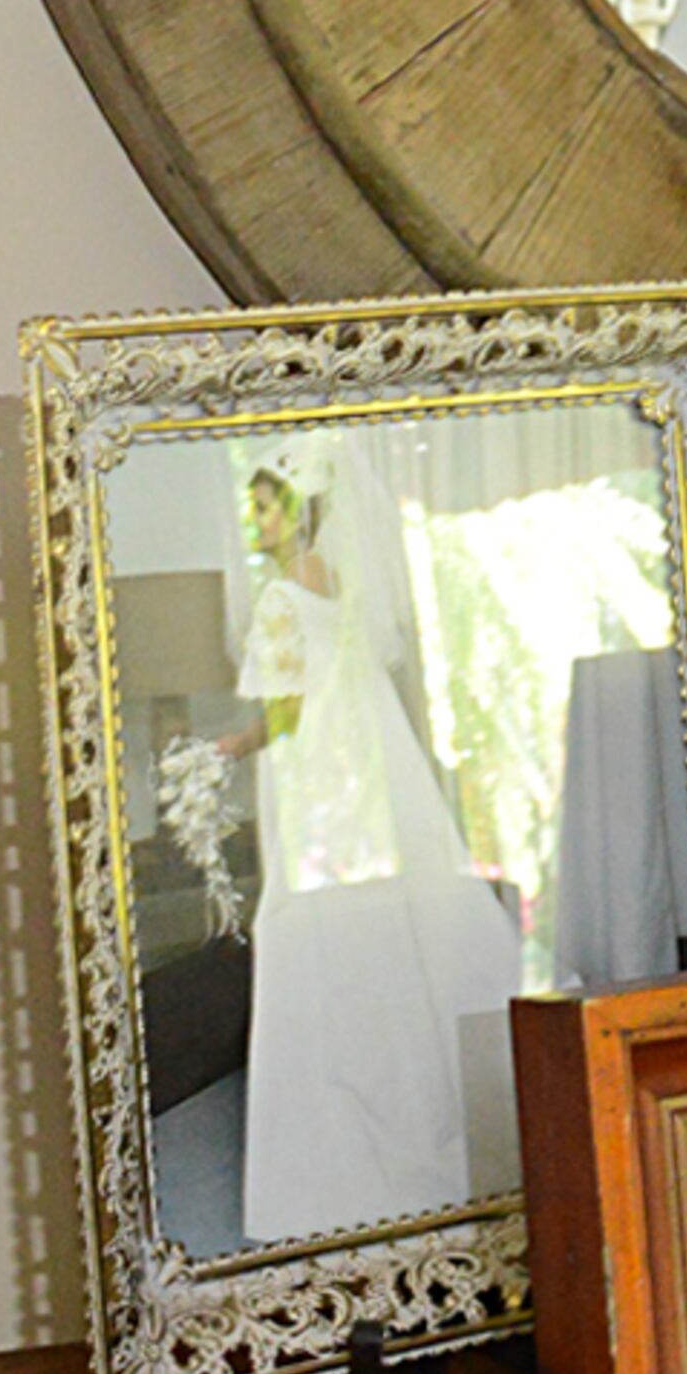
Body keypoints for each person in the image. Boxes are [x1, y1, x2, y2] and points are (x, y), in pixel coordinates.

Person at [225, 464, 523, 1245]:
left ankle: (344, 1145)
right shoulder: (336, 585)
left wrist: (233, 744)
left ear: (296, 511)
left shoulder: (284, 596)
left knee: (317, 934)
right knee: (390, 927)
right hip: (368, 766)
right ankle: (428, 1102)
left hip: (318, 778)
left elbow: (285, 713)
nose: (254, 520)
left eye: (264, 506)